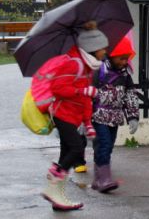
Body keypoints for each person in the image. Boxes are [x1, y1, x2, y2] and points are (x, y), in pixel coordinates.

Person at [41, 22, 109, 211]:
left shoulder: (86, 66)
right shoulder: (73, 63)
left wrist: (87, 122)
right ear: (93, 48)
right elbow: (58, 88)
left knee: (67, 152)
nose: (105, 52)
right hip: (63, 114)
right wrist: (83, 90)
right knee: (76, 148)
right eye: (103, 48)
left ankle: (57, 198)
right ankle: (52, 186)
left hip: (73, 116)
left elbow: (85, 100)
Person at [90, 35, 139, 193]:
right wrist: (82, 120)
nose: (125, 62)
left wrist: (132, 117)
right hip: (99, 115)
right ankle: (104, 179)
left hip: (115, 117)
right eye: (122, 58)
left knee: (108, 147)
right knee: (103, 144)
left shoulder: (125, 75)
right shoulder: (99, 70)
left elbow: (130, 95)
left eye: (127, 58)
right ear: (111, 55)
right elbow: (87, 95)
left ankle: (99, 178)